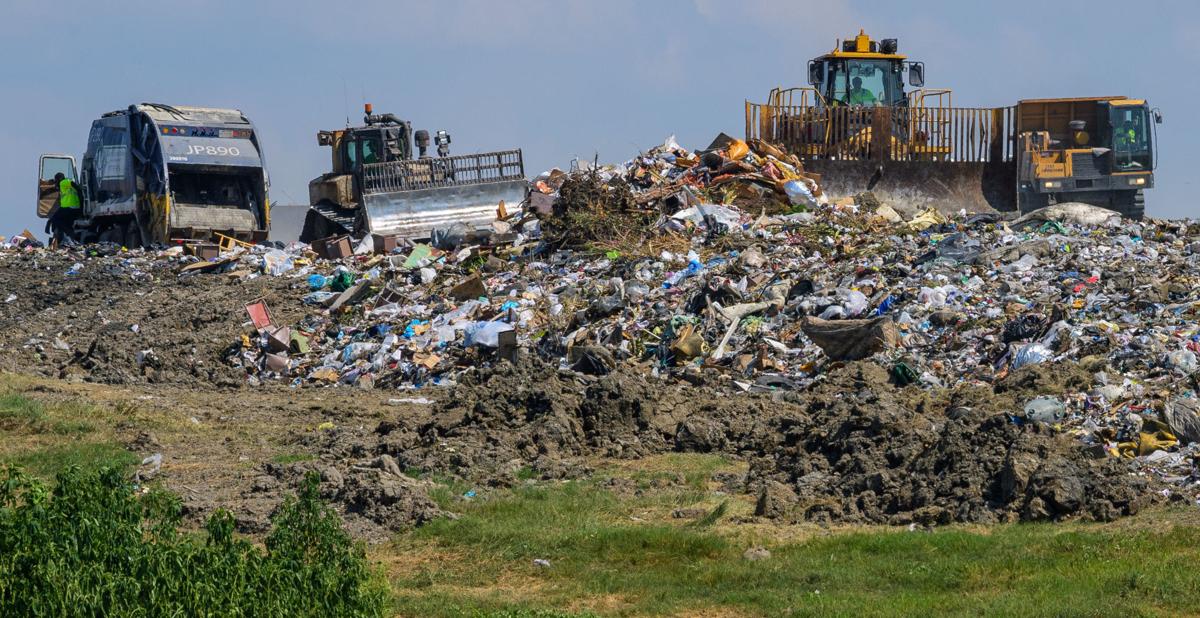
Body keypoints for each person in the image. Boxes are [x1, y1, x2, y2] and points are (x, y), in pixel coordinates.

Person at [47, 172, 81, 244]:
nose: (56, 182)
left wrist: (79, 190)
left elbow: (73, 184)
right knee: (67, 223)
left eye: (56, 180)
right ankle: (72, 237)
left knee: (55, 219)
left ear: (59, 179)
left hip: (69, 206)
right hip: (74, 207)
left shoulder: (63, 182)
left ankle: (70, 233)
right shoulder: (64, 186)